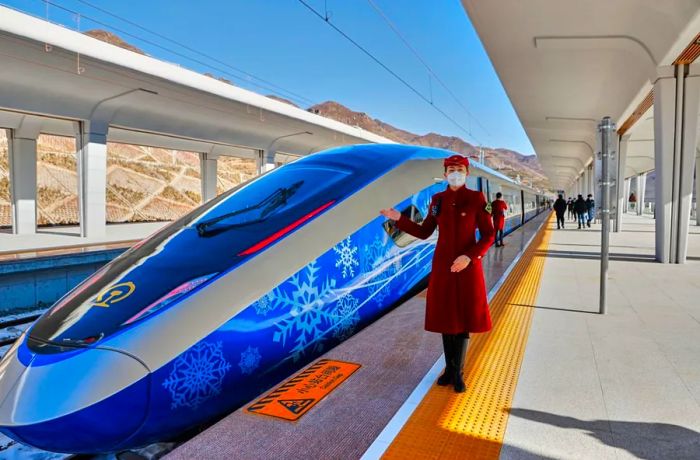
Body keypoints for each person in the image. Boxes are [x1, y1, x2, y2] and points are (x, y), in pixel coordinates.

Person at [380, 155, 494, 393]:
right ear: (444, 174)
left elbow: (488, 235)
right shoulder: (437, 200)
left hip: (467, 268)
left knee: (462, 320)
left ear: (466, 173)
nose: (455, 173)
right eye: (451, 169)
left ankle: (459, 373)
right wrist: (399, 218)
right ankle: (449, 369)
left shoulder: (476, 199)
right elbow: (424, 232)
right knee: (446, 318)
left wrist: (469, 257)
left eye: (459, 169)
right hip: (443, 266)